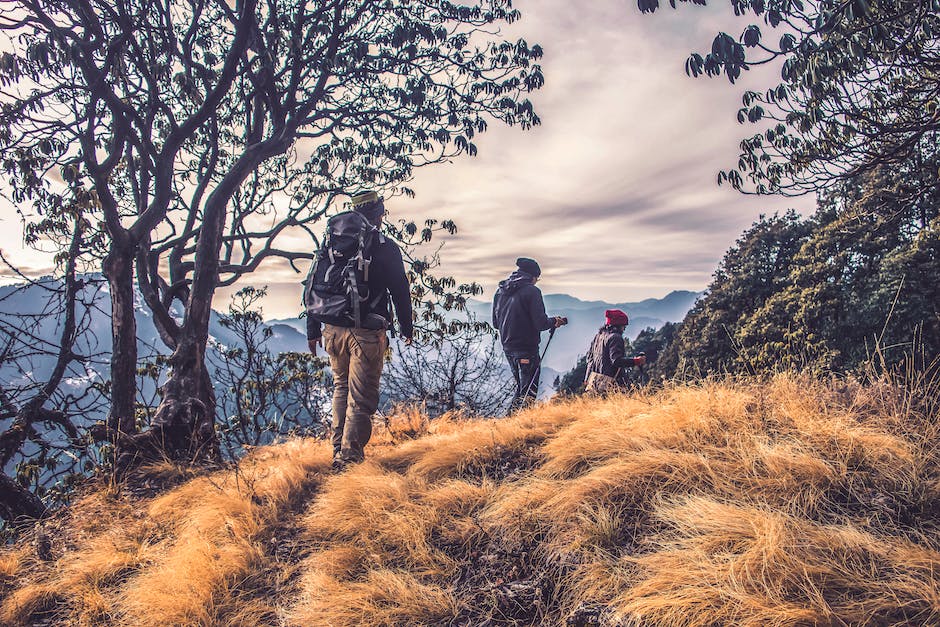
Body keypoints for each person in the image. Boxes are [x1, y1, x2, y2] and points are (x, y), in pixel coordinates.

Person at [307, 190, 413, 471]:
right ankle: (349, 460)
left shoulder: (332, 244)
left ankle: (338, 451)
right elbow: (400, 289)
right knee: (361, 397)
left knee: (341, 389)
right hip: (366, 332)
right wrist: (406, 326)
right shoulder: (383, 246)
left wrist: (312, 329)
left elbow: (314, 283)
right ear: (378, 213)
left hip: (331, 328)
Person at [492, 257, 567, 411]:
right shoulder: (532, 291)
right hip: (526, 348)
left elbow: (495, 323)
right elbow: (540, 323)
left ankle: (510, 425)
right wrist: (554, 322)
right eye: (537, 279)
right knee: (528, 392)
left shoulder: (500, 291)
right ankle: (520, 427)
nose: (536, 282)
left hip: (508, 348)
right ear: (533, 276)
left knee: (522, 389)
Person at [583, 309, 646, 394]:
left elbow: (590, 359)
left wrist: (587, 378)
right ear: (618, 325)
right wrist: (636, 361)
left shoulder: (598, 336)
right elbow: (616, 361)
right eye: (624, 326)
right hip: (610, 385)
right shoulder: (615, 338)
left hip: (594, 383)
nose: (624, 329)